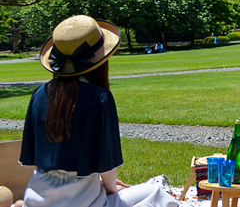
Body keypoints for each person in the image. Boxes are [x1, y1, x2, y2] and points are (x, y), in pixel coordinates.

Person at [19, 15, 178, 207]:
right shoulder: (98, 98)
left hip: (37, 197)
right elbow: (106, 164)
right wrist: (111, 188)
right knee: (157, 194)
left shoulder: (39, 95)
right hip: (84, 200)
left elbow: (33, 159)